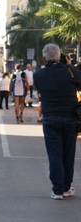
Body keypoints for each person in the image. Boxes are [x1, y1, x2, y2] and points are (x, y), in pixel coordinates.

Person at [33, 43, 81, 200]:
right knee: (68, 154)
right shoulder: (71, 70)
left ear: (45, 57)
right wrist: (69, 65)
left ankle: (57, 190)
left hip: (50, 117)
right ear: (60, 55)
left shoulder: (39, 74)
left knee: (55, 154)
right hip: (70, 117)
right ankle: (66, 187)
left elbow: (39, 90)